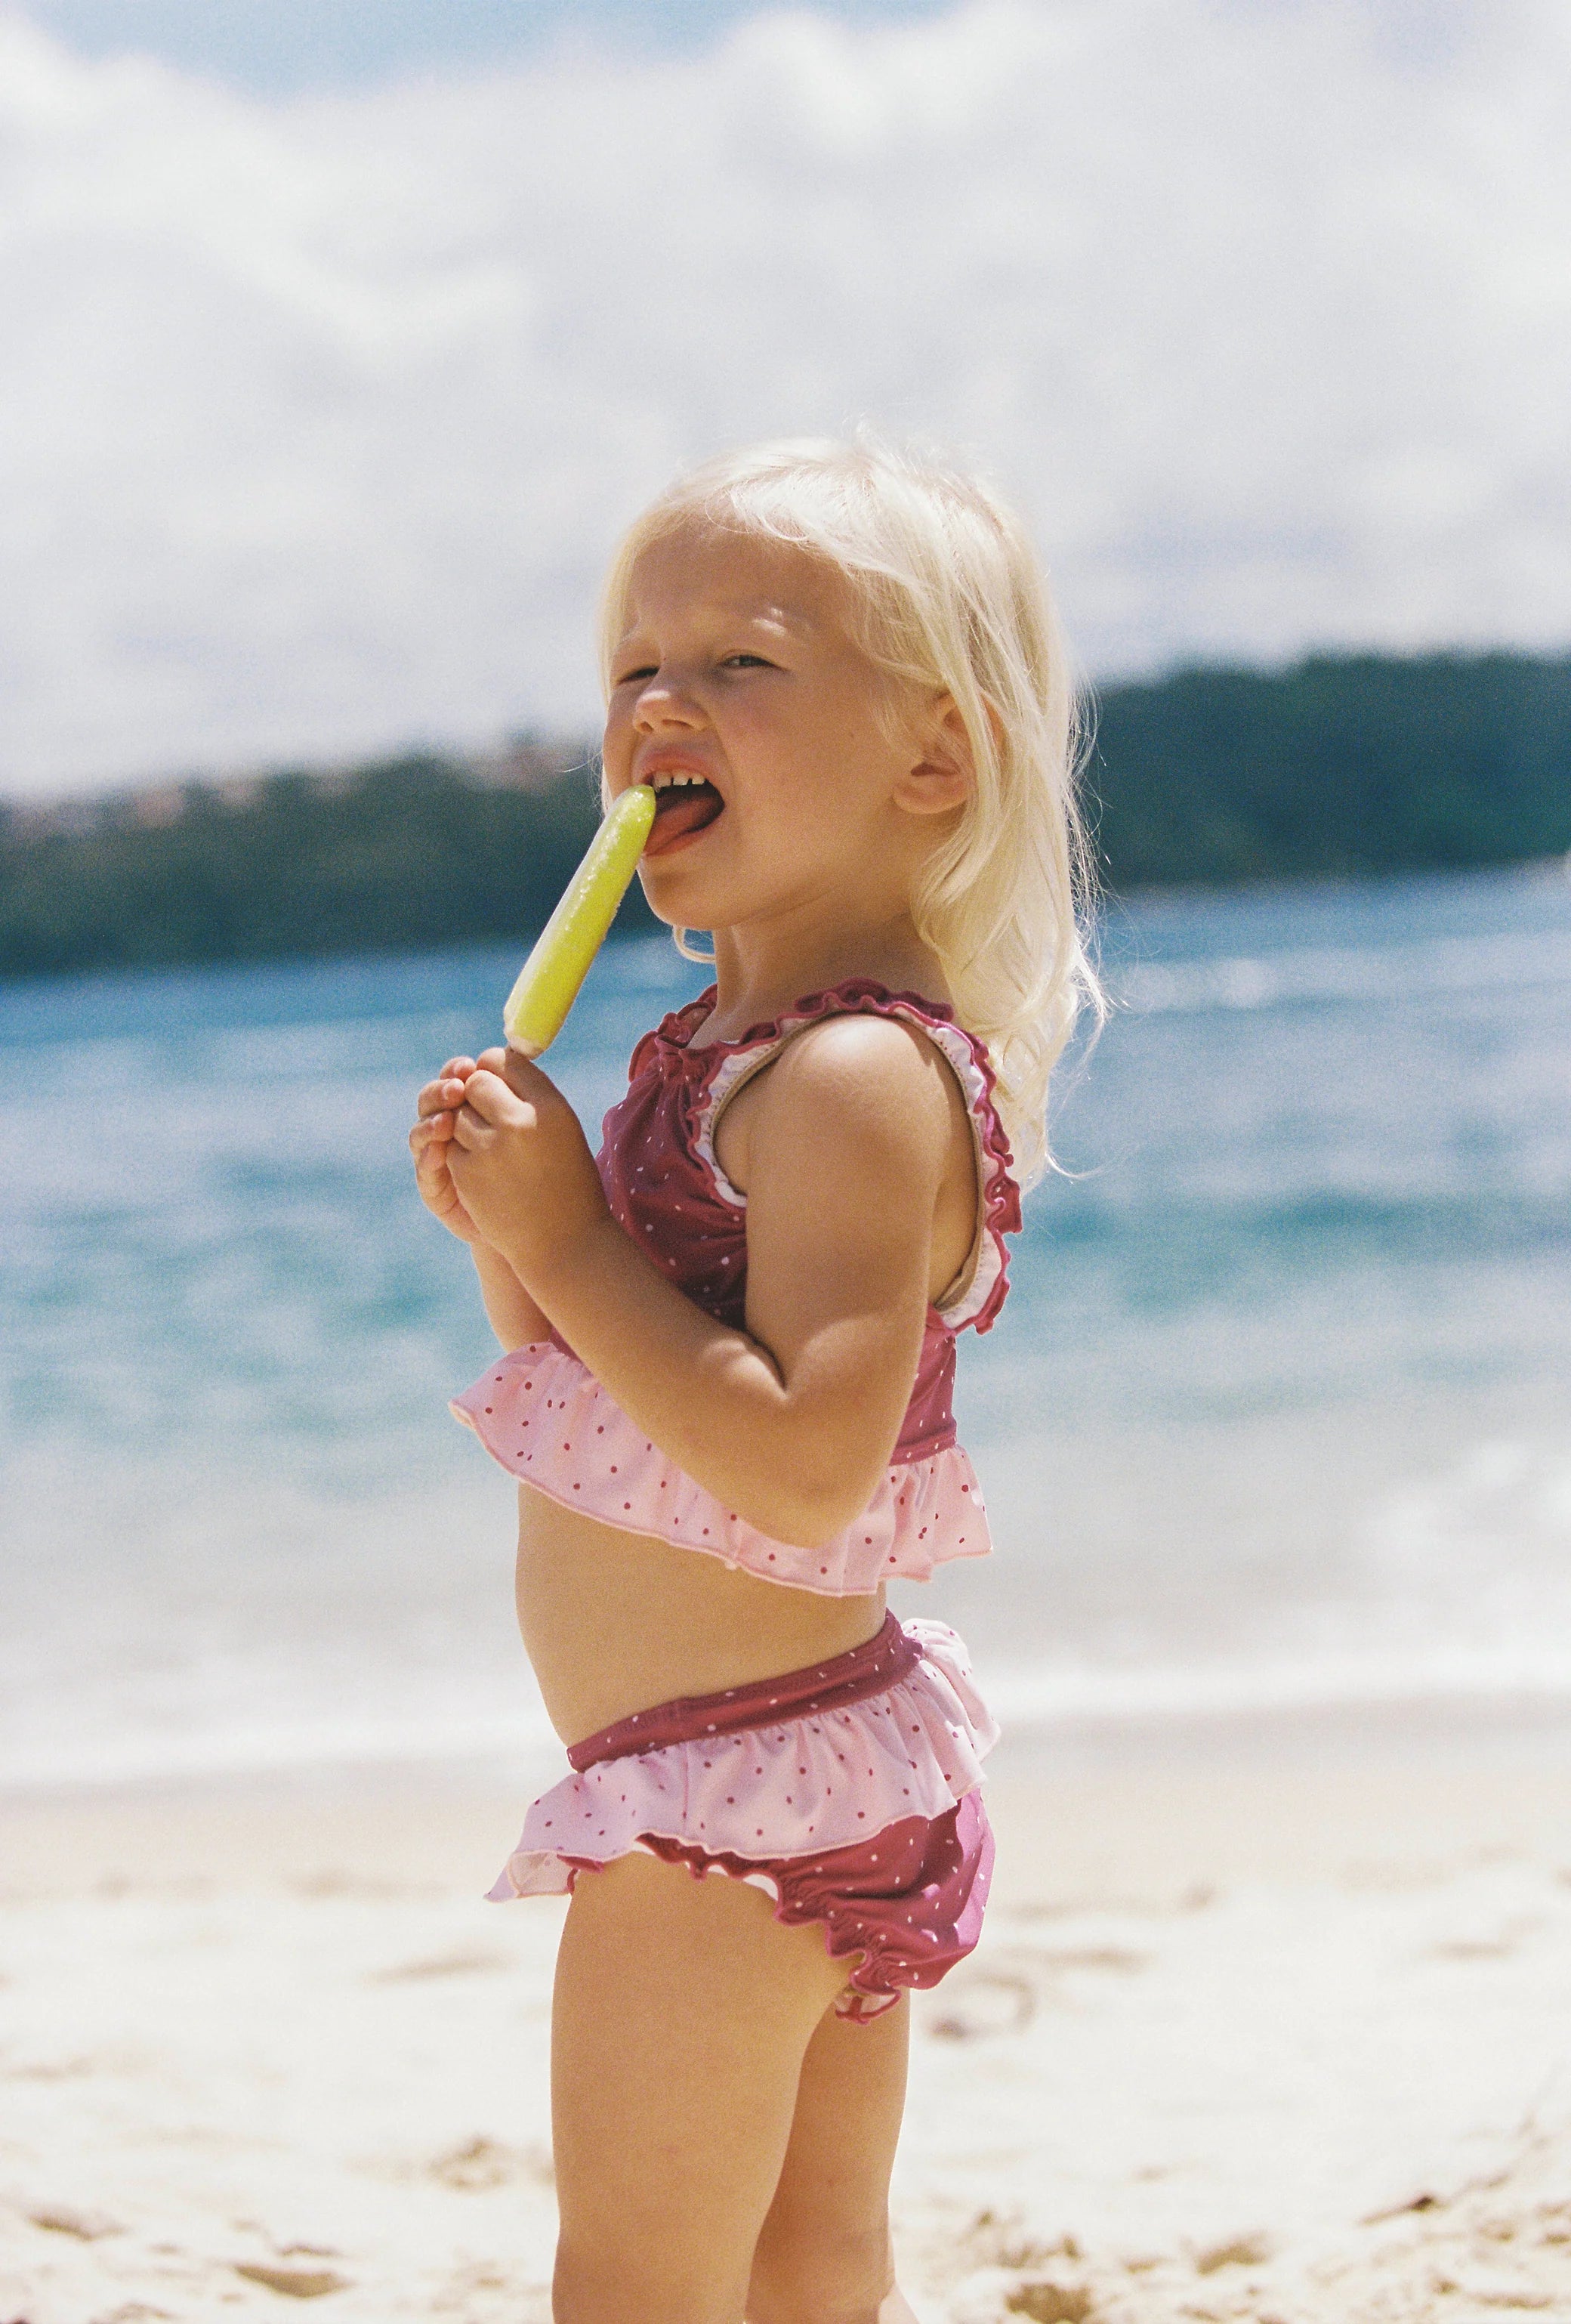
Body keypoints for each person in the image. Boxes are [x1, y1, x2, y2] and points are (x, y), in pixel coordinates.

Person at [409, 436, 1099, 2324]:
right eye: (635, 665)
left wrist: (568, 1235)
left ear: (932, 758)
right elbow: (614, 1410)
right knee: (804, 2268)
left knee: (634, 2284)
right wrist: (510, 1225)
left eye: (740, 663)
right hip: (799, 1760)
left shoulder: (854, 1076)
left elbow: (800, 1470)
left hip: (725, 1798)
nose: (660, 705)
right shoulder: (719, 1048)